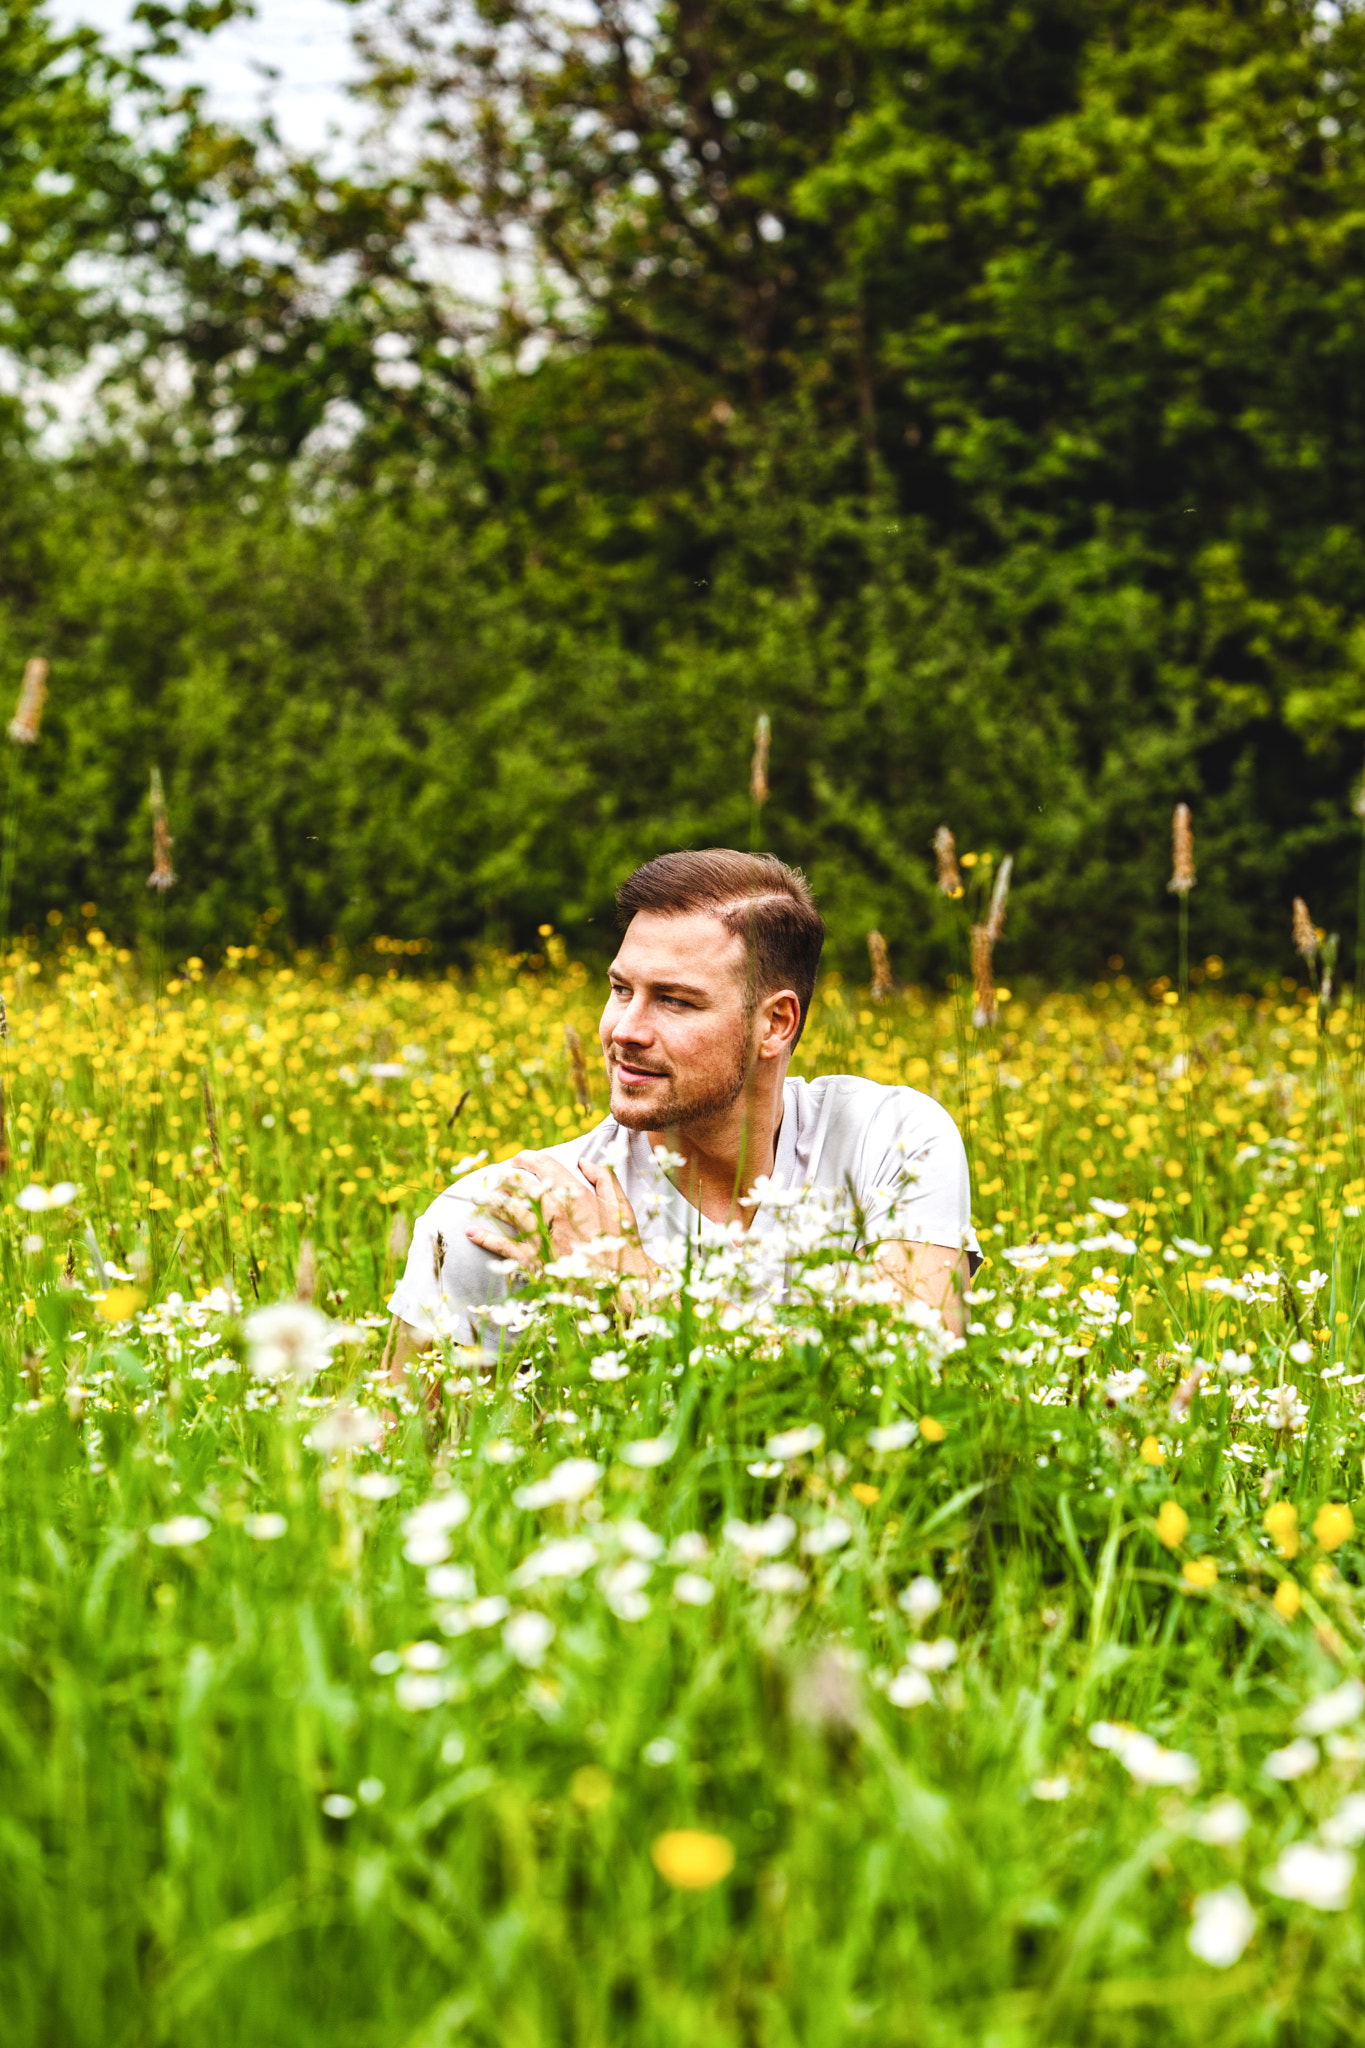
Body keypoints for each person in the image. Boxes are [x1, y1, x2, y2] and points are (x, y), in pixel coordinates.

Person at [385, 849, 979, 1379]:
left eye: (674, 1000)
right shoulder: (509, 1219)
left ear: (776, 1023)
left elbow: (917, 1369)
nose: (624, 1030)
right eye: (621, 990)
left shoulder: (889, 1138)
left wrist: (630, 1285)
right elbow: (397, 1455)